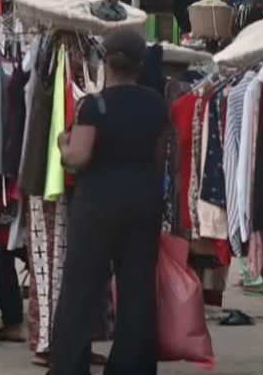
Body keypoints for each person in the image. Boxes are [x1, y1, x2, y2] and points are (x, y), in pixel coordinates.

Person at [52, 29, 170, 375]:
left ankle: (70, 366)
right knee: (137, 288)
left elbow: (79, 157)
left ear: (106, 63)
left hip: (98, 204)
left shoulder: (94, 105)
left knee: (81, 286)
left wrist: (63, 145)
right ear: (140, 65)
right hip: (142, 200)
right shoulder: (156, 104)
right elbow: (161, 158)